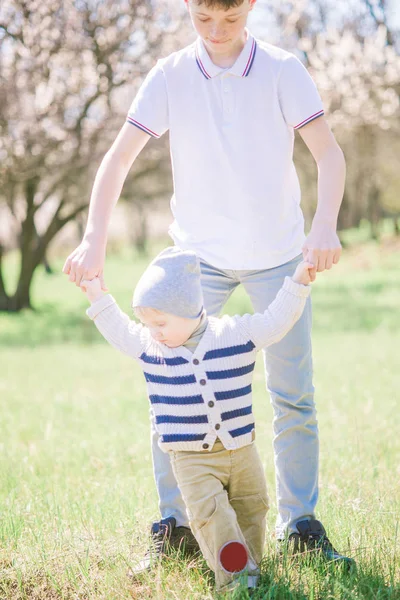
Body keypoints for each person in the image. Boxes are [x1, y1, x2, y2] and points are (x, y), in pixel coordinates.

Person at [63, 0, 353, 572]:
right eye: (203, 19)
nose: (217, 33)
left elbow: (329, 153)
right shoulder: (169, 76)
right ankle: (174, 525)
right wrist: (95, 237)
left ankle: (301, 525)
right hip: (197, 264)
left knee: (293, 395)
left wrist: (324, 226)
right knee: (169, 391)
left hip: (278, 257)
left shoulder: (281, 68)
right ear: (188, 8)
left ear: (250, 8)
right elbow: (119, 158)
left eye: (231, 20)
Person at [80, 247, 314, 591]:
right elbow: (119, 329)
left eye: (161, 323)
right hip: (191, 460)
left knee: (253, 508)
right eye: (149, 324)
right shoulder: (151, 348)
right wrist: (97, 294)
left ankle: (251, 568)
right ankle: (235, 580)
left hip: (241, 451)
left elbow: (276, 322)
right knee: (214, 518)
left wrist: (298, 282)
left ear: (189, 309)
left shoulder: (235, 334)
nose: (155, 331)